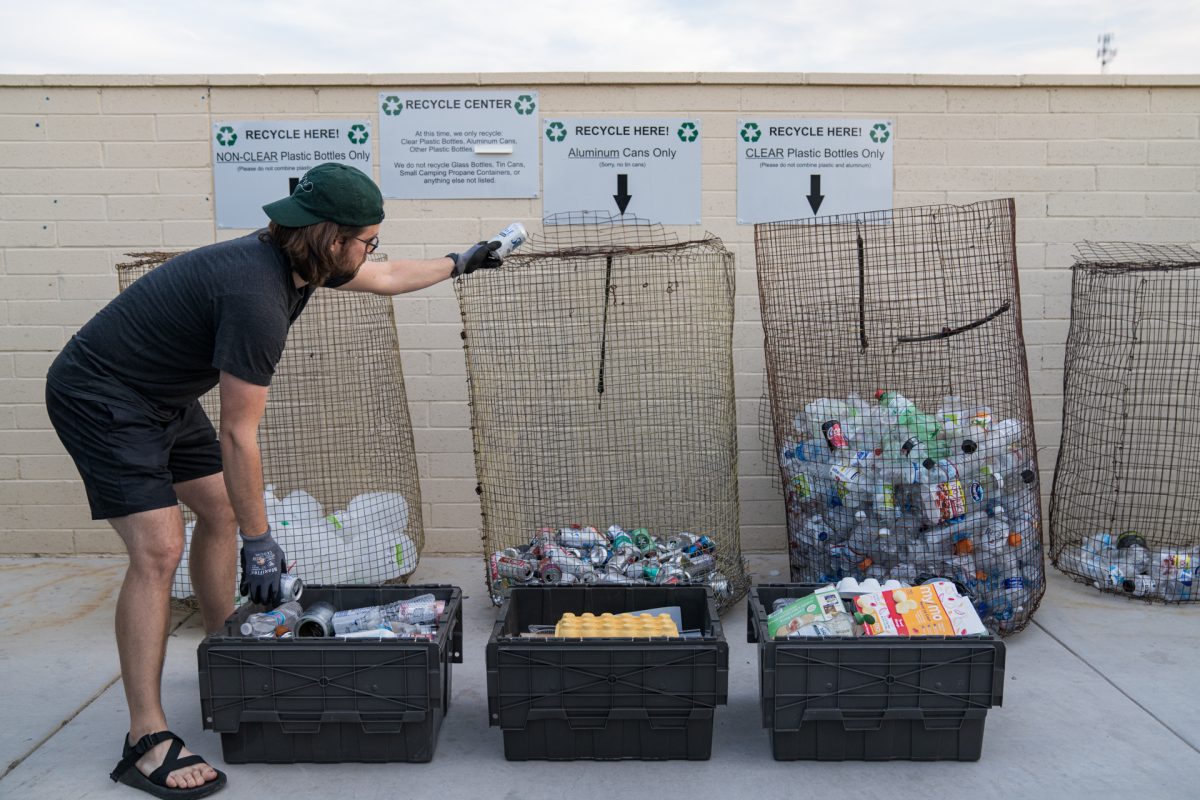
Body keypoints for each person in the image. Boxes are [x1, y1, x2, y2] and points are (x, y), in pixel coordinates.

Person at [44, 163, 505, 799]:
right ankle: (144, 740)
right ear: (332, 238)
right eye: (367, 239)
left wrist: (463, 260)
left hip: (160, 396)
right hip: (101, 396)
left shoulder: (296, 262)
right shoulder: (254, 295)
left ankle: (223, 652)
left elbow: (390, 277)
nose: (373, 252)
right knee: (158, 550)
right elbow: (239, 434)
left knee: (219, 511)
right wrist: (262, 542)